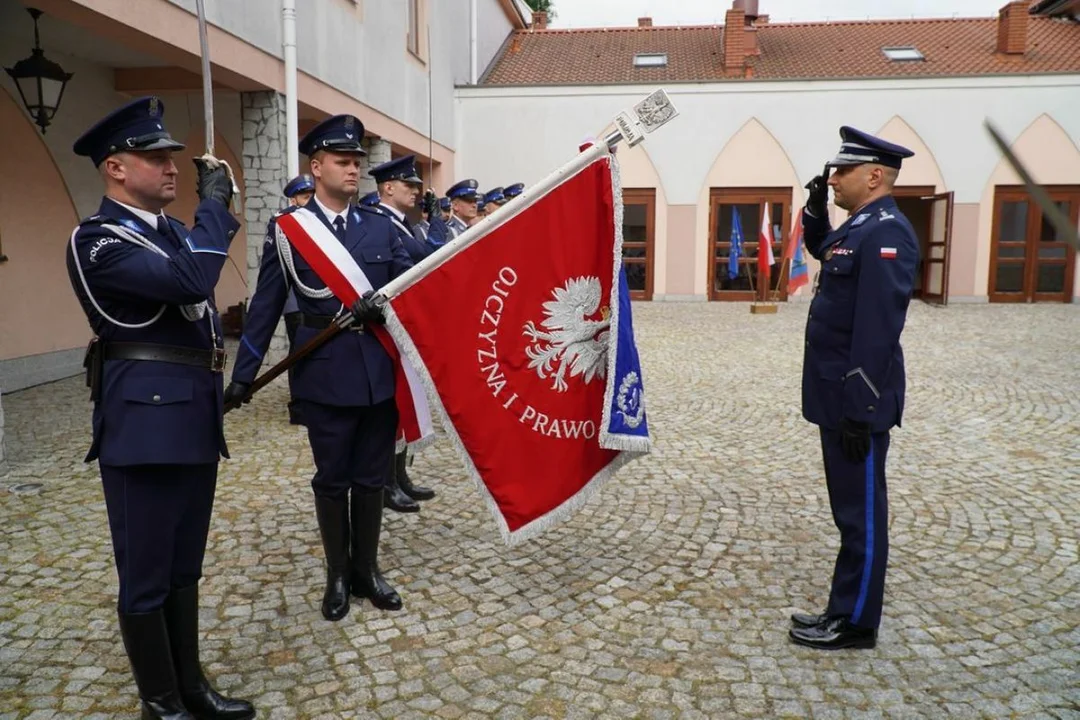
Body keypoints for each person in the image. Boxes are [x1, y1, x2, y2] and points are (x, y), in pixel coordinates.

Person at [65, 96, 254, 719]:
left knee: (183, 568)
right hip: (143, 425)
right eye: (154, 157)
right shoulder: (97, 241)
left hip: (192, 418)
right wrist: (217, 209)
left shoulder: (172, 232)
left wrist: (204, 220)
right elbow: (189, 284)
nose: (172, 168)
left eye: (173, 157)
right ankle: (162, 703)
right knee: (146, 573)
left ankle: (190, 689)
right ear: (115, 168)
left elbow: (194, 277)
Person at [225, 114, 413, 621]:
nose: (354, 170)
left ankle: (367, 571)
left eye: (357, 162)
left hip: (376, 370)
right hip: (324, 373)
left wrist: (386, 303)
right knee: (332, 478)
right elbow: (265, 305)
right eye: (343, 161)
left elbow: (414, 287)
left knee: (371, 478)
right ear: (316, 167)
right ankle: (336, 573)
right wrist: (244, 374)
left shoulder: (379, 226)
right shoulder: (289, 231)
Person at [789, 126, 919, 651]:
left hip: (855, 403)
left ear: (873, 175)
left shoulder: (888, 231)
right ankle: (843, 609)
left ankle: (856, 623)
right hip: (838, 397)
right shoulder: (860, 227)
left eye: (839, 172)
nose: (833, 178)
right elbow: (825, 249)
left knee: (861, 514)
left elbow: (877, 329)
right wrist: (818, 207)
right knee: (850, 512)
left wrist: (860, 407)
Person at [364, 155, 444, 512]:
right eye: (409, 186)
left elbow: (428, 256)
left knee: (405, 404)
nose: (415, 191)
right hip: (387, 327)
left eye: (416, 186)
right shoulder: (381, 223)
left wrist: (432, 221)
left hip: (403, 327)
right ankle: (385, 482)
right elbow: (426, 258)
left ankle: (400, 476)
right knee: (393, 407)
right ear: (388, 188)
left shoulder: (404, 223)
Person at [276, 174, 315, 426]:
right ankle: (299, 405)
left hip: (317, 301)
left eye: (312, 195)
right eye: (305, 196)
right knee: (299, 355)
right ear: (294, 199)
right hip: (296, 302)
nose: (309, 200)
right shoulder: (286, 224)